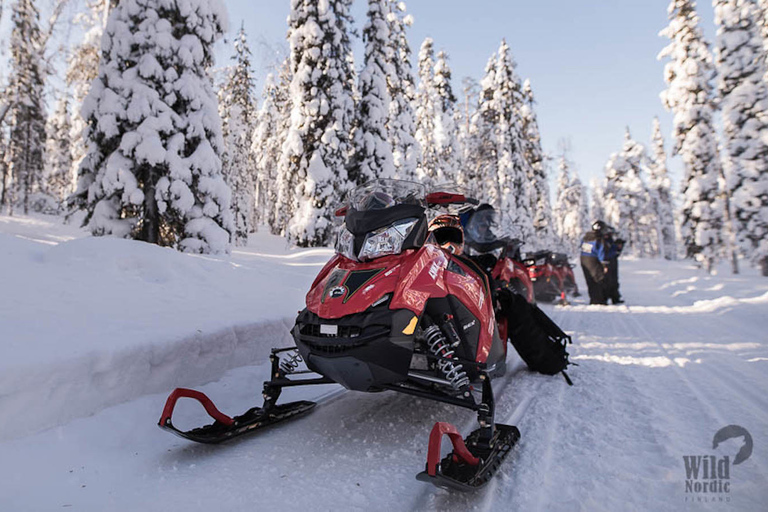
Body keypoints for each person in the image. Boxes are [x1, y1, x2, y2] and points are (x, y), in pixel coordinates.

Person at [580, 220, 609, 305]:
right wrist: (604, 265)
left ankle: (593, 299)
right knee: (599, 279)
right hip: (593, 260)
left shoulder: (586, 237)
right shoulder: (599, 238)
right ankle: (599, 300)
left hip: (583, 259)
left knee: (590, 280)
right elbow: (601, 252)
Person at [603, 226, 625, 304]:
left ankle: (615, 297)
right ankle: (605, 297)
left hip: (612, 261)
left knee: (614, 280)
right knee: (607, 281)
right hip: (607, 262)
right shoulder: (603, 241)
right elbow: (605, 252)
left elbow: (613, 249)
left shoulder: (610, 241)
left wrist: (618, 248)